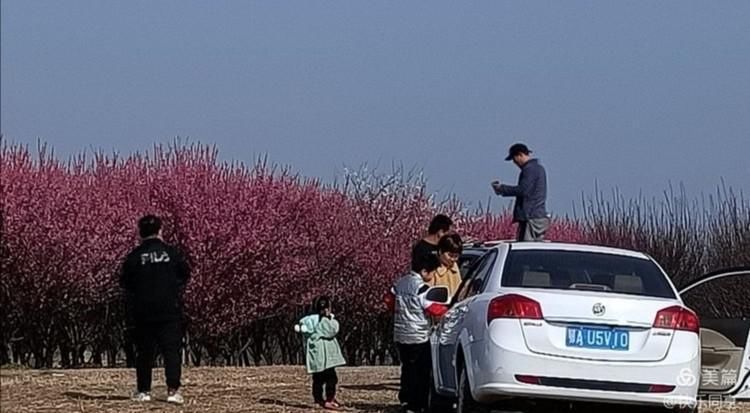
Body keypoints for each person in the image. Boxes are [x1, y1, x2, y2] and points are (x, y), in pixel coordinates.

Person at [119, 215, 191, 404]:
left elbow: (125, 282)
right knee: (171, 351)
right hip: (169, 308)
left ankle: (144, 391)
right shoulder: (171, 253)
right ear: (160, 230)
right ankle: (173, 391)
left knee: (144, 352)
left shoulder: (134, 256)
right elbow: (185, 273)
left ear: (140, 232)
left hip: (143, 310)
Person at [392, 253, 449, 413]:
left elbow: (389, 302)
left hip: (400, 334)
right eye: (432, 273)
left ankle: (405, 400)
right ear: (424, 271)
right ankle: (418, 405)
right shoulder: (422, 288)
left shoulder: (399, 283)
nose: (432, 277)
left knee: (407, 368)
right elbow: (433, 308)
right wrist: (448, 310)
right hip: (418, 336)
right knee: (421, 371)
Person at [294, 296, 346, 410]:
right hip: (326, 356)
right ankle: (329, 399)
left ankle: (318, 399)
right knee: (331, 378)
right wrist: (328, 318)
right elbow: (332, 330)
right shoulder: (324, 321)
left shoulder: (308, 321)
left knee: (318, 378)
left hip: (316, 354)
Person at [492, 143, 550, 241]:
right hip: (537, 216)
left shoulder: (529, 169)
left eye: (514, 160)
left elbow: (523, 190)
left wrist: (502, 189)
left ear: (520, 155)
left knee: (526, 250)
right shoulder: (538, 168)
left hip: (530, 216)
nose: (515, 163)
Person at [427, 233, 463, 299]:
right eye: (450, 255)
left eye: (456, 256)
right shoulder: (431, 268)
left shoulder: (454, 267)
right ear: (440, 251)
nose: (453, 259)